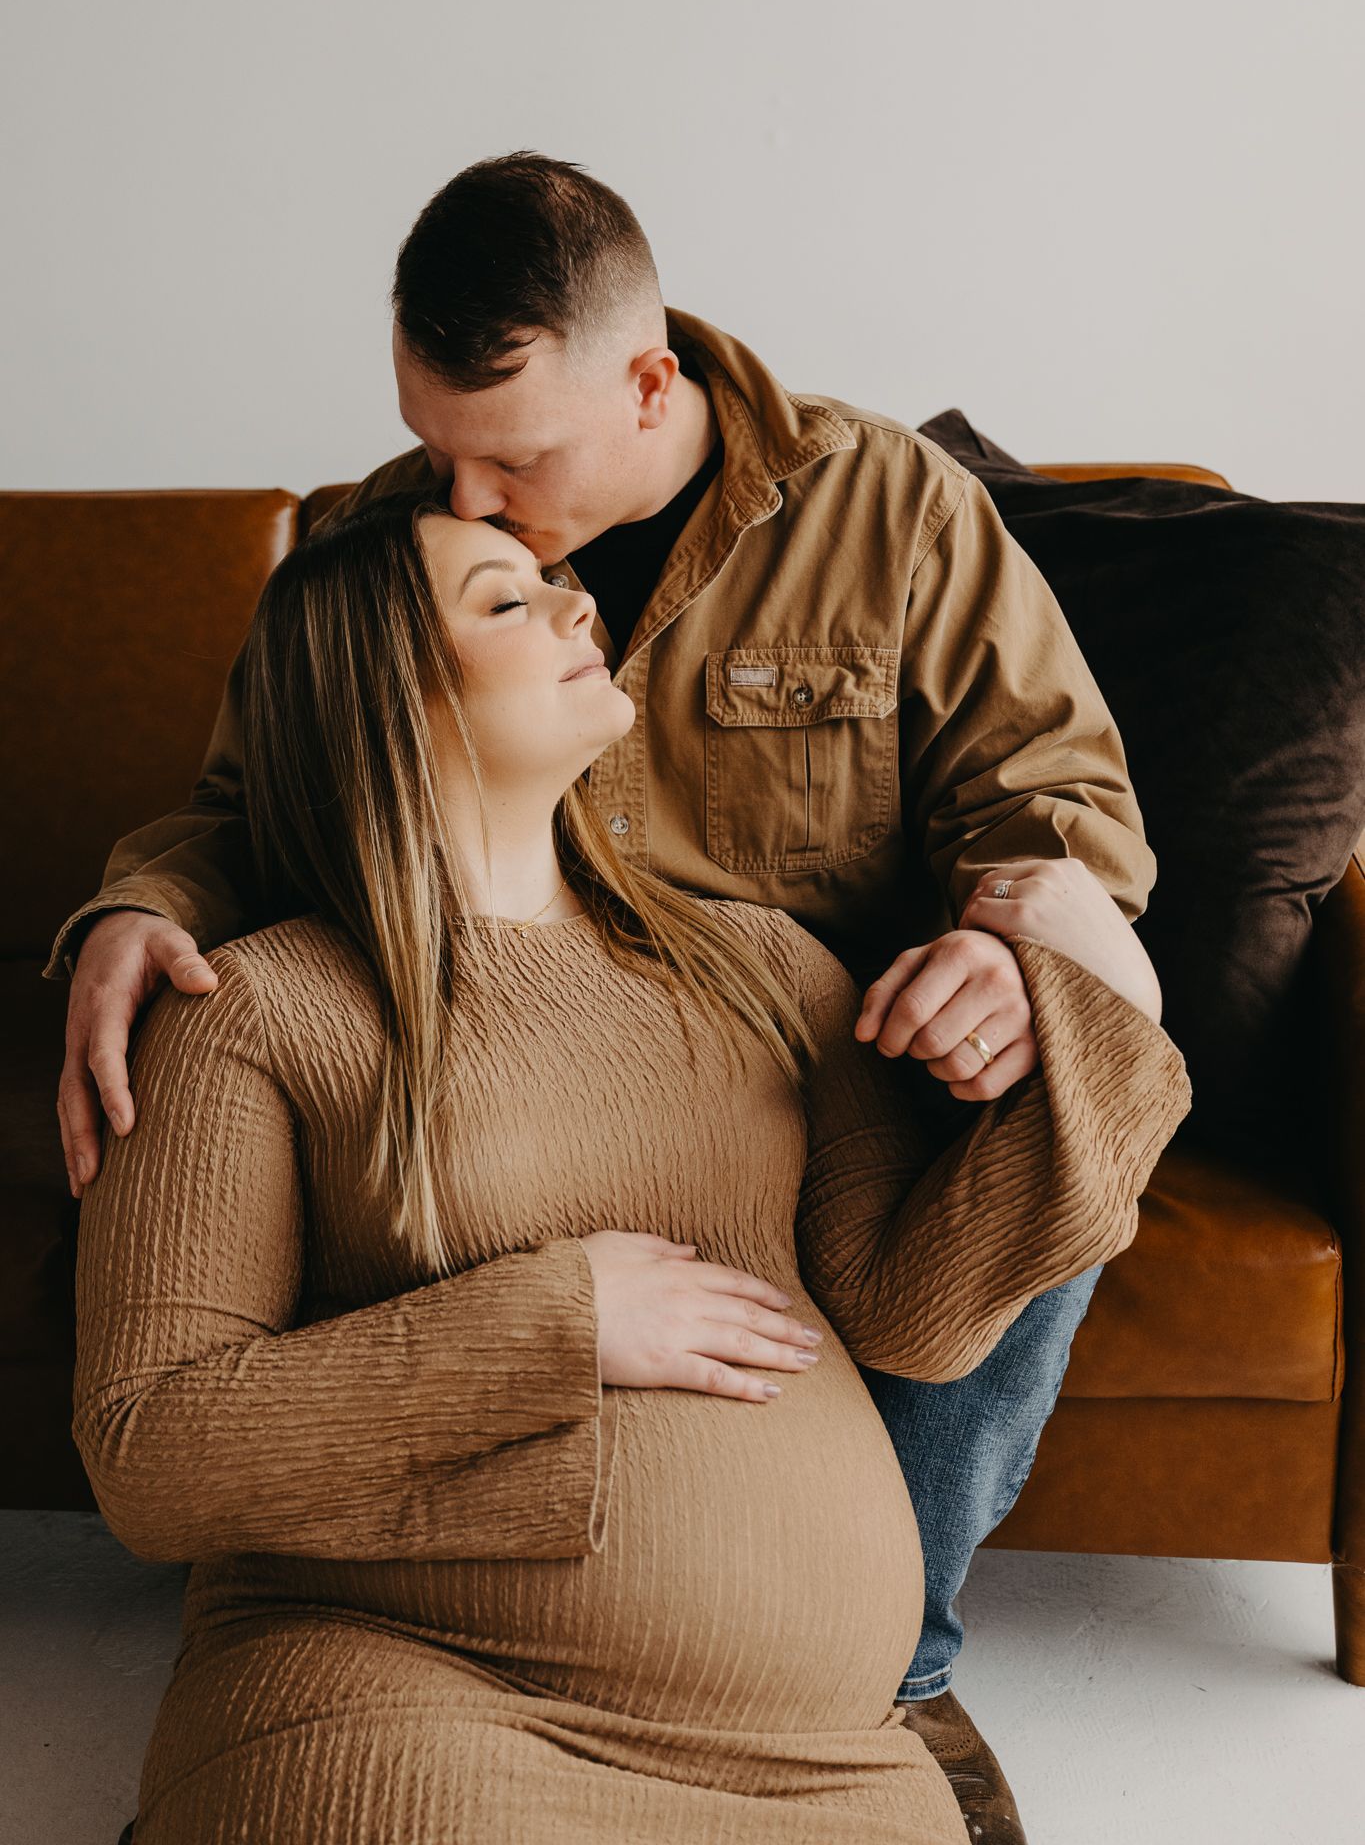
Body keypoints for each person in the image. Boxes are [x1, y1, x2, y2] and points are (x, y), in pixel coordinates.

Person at [49, 151, 1171, 1842]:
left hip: (828, 1050)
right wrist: (140, 911)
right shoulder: (388, 571)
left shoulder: (882, 513)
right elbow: (268, 798)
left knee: (1022, 1181)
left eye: (511, 460)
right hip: (433, 1696)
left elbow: (1046, 818)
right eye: (442, 454)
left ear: (648, 382)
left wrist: (1042, 974)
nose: (478, 499)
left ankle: (896, 1669)